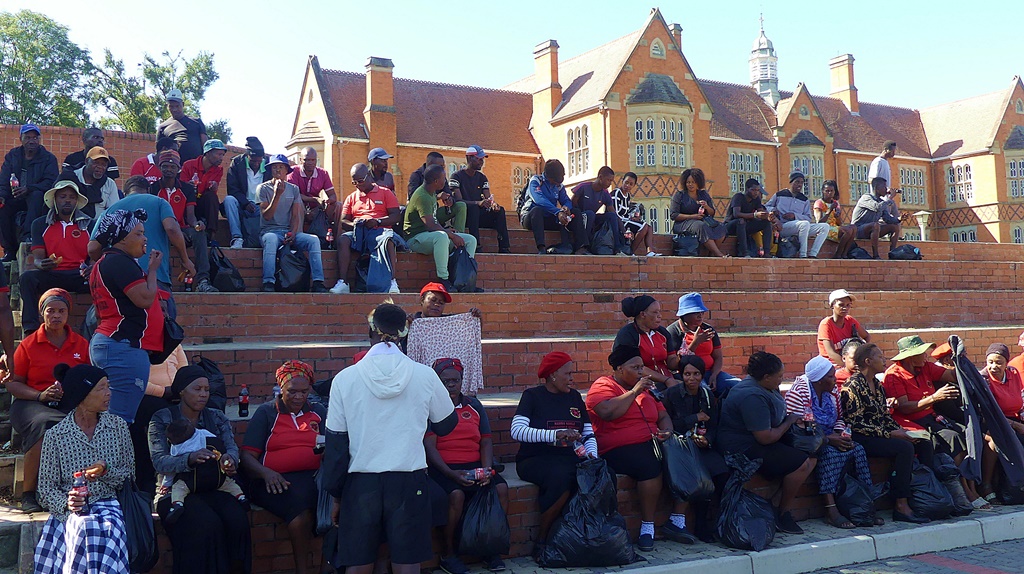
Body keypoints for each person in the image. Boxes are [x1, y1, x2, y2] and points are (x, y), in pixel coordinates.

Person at [324, 303, 458, 574]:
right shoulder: (425, 375)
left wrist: (337, 497)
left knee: (359, 563)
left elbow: (336, 446)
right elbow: (446, 425)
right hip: (409, 480)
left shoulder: (344, 379)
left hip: (361, 483)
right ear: (404, 332)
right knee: (407, 563)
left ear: (370, 330)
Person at [586, 346, 697, 551]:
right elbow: (607, 412)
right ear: (619, 368)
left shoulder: (648, 390)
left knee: (685, 455)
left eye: (641, 367)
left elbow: (663, 416)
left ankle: (677, 519)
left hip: (652, 442)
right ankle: (647, 527)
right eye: (635, 367)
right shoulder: (603, 385)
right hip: (617, 448)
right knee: (648, 462)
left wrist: (668, 432)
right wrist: (634, 391)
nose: (641, 372)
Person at [149, 366, 251, 573]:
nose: (204, 394)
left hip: (213, 484)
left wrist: (229, 461)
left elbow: (231, 448)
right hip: (176, 490)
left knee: (237, 520)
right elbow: (159, 461)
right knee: (205, 524)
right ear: (181, 391)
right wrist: (190, 458)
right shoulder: (161, 418)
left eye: (206, 389)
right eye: (197, 389)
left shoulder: (216, 417)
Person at [34, 364, 133, 572]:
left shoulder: (118, 427)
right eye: (101, 388)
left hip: (109, 503)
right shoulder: (56, 435)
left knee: (107, 529)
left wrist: (105, 470)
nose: (108, 393)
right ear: (83, 395)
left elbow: (129, 475)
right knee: (82, 526)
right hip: (71, 509)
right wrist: (68, 502)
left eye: (109, 387)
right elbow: (45, 489)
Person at [716, 351, 817, 534]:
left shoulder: (766, 386)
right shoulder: (751, 396)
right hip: (742, 447)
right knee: (802, 463)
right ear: (766, 377)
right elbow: (765, 437)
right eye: (779, 376)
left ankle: (776, 502)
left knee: (815, 449)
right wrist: (790, 421)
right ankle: (782, 512)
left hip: (763, 438)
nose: (782, 379)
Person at [8, 289, 90, 512]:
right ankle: (29, 494)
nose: (56, 316)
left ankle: (76, 489)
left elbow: (88, 380)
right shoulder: (28, 345)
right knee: (45, 425)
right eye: (50, 311)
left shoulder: (81, 344)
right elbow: (13, 383)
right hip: (30, 403)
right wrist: (40, 395)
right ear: (41, 314)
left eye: (61, 311)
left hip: (68, 404)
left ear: (68, 314)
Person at [240, 360, 326, 574]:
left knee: (337, 498)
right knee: (300, 510)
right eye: (292, 391)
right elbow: (247, 456)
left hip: (312, 476)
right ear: (281, 388)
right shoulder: (267, 413)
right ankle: (302, 570)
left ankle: (329, 565)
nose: (298, 397)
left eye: (304, 392)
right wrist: (266, 473)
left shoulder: (318, 411)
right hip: (271, 480)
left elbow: (330, 445)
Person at [424, 358, 509, 574]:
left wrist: (487, 469)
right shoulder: (430, 407)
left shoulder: (474, 405)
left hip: (474, 463)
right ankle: (448, 554)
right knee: (456, 495)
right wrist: (451, 473)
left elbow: (486, 440)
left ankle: (491, 549)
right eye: (445, 381)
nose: (451, 385)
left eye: (455, 380)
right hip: (444, 466)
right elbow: (430, 447)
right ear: (437, 382)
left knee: (500, 488)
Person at [510, 352, 598, 550]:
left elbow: (588, 434)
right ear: (552, 375)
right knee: (561, 477)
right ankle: (543, 538)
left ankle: (589, 536)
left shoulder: (575, 397)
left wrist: (592, 456)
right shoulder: (532, 396)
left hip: (569, 457)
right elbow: (517, 431)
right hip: (535, 459)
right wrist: (555, 434)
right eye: (567, 374)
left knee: (602, 473)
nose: (571, 379)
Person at [840, 343, 931, 523]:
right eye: (880, 357)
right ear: (868, 361)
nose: (884, 360)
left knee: (924, 442)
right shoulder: (852, 387)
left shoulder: (877, 385)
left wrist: (899, 429)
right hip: (862, 437)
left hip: (880, 434)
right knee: (903, 448)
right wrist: (889, 434)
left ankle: (925, 495)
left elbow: (883, 416)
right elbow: (855, 423)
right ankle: (901, 504)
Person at [784, 356, 877, 529]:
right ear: (819, 381)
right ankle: (831, 510)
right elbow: (798, 427)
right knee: (829, 455)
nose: (835, 380)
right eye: (830, 377)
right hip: (809, 442)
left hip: (830, 436)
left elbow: (840, 418)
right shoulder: (799, 393)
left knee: (857, 450)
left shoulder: (833, 392)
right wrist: (827, 440)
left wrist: (838, 435)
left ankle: (863, 505)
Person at [90, 209, 164, 423]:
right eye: (139, 233)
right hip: (121, 347)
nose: (145, 238)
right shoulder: (118, 262)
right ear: (122, 238)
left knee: (112, 420)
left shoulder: (108, 261)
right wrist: (153, 270)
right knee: (118, 422)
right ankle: (110, 458)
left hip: (113, 343)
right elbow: (145, 299)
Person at [88, 176, 195, 321]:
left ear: (125, 193)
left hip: (118, 281)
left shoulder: (111, 210)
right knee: (163, 328)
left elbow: (93, 248)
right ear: (148, 190)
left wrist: (109, 262)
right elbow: (172, 228)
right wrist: (185, 260)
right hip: (155, 277)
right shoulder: (159, 202)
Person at [662, 355, 729, 542]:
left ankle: (713, 520)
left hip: (701, 444)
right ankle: (698, 524)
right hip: (680, 446)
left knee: (722, 472)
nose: (692, 379)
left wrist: (707, 439)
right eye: (687, 374)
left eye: (697, 374)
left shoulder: (706, 395)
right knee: (699, 475)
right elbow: (669, 424)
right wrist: (694, 418)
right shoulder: (672, 394)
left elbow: (714, 424)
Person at [19, 180, 92, 333]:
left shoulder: (89, 224)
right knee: (27, 278)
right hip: (53, 274)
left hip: (79, 275)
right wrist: (42, 264)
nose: (67, 200)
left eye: (72, 197)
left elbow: (93, 257)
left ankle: (94, 326)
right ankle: (30, 329)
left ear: (76, 201)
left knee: (103, 276)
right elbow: (38, 259)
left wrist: (90, 269)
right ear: (55, 200)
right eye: (63, 196)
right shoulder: (40, 224)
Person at [883, 336, 966, 457]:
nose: (926, 356)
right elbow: (904, 407)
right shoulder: (893, 375)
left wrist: (960, 361)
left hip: (933, 416)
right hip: (913, 422)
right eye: (922, 353)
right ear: (911, 358)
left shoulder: (925, 366)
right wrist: (934, 398)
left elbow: (952, 376)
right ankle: (956, 475)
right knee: (953, 438)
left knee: (968, 432)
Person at [150, 149, 218, 292]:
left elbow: (191, 216)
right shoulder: (152, 188)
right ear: (159, 167)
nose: (169, 169)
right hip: (161, 230)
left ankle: (203, 281)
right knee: (161, 237)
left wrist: (196, 224)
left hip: (181, 228)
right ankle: (164, 282)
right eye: (165, 166)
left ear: (178, 169)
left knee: (199, 233)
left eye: (173, 166)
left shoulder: (186, 188)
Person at [259, 154, 329, 293]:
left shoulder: (293, 189)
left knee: (313, 240)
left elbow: (297, 214)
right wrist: (277, 195)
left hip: (289, 231)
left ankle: (318, 282)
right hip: (269, 231)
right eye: (274, 167)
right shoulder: (263, 188)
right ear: (270, 170)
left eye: (281, 167)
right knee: (271, 239)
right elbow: (266, 216)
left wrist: (294, 232)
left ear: (286, 170)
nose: (278, 170)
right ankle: (268, 282)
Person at [404, 164, 478, 291]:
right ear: (436, 181)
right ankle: (444, 280)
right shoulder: (422, 196)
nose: (446, 181)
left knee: (471, 240)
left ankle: (464, 279)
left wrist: (449, 232)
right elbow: (431, 225)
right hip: (415, 239)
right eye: (444, 178)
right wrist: (451, 235)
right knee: (442, 237)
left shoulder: (431, 192)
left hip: (429, 235)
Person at [330, 163, 401, 294]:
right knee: (343, 239)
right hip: (359, 233)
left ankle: (392, 282)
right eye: (354, 182)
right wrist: (355, 223)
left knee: (388, 240)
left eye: (360, 181)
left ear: (368, 176)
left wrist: (377, 221)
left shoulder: (385, 193)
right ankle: (343, 282)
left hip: (380, 230)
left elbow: (396, 216)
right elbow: (343, 221)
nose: (357, 184)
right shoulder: (352, 197)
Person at [164, 417, 247, 523]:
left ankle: (177, 504)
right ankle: (241, 497)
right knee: (230, 484)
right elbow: (220, 445)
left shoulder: (178, 448)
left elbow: (171, 469)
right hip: (216, 480)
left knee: (178, 488)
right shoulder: (204, 434)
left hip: (191, 484)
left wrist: (166, 484)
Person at [0, 124, 59, 260]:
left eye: (35, 138)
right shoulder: (12, 156)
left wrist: (29, 188)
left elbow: (51, 182)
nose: (31, 141)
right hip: (14, 196)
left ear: (39, 140)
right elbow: (4, 179)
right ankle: (9, 250)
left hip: (37, 198)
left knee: (37, 196)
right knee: (2, 208)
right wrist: (2, 195)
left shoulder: (49, 158)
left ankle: (28, 237)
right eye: (27, 137)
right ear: (21, 139)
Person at [665, 292, 741, 395]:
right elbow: (673, 365)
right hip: (690, 376)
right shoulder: (673, 332)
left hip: (711, 373)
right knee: (705, 392)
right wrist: (695, 343)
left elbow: (718, 357)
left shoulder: (707, 329)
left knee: (739, 386)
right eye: (695, 312)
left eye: (702, 312)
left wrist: (714, 375)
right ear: (684, 314)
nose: (700, 315)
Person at [977, 343, 1024, 501]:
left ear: (1006, 363)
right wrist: (1016, 425)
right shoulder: (983, 380)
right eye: (990, 362)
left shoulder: (1013, 373)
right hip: (991, 422)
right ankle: (986, 485)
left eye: (998, 362)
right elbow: (987, 412)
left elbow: (1020, 400)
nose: (993, 366)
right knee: (996, 442)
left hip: (1013, 419)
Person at [449, 145, 511, 254]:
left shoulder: (482, 178)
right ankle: (476, 246)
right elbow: (459, 201)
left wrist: (493, 204)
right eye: (478, 159)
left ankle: (504, 247)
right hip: (466, 217)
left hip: (478, 217)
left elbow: (488, 196)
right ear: (469, 158)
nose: (481, 162)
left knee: (500, 211)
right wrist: (478, 203)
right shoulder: (456, 176)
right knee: (474, 208)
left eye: (482, 159)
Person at [520, 159, 587, 254]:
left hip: (549, 218)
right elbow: (539, 200)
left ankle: (581, 247)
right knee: (537, 210)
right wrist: (557, 211)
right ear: (548, 176)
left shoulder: (559, 186)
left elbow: (566, 200)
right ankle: (541, 248)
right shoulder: (536, 181)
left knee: (575, 212)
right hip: (532, 218)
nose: (556, 184)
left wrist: (565, 207)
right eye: (554, 181)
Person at [611, 295, 678, 388]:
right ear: (642, 314)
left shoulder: (662, 333)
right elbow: (635, 367)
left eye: (659, 312)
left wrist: (683, 354)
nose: (660, 316)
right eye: (655, 312)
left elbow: (671, 363)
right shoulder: (627, 334)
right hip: (640, 382)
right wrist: (666, 380)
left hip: (666, 378)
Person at [766, 172, 830, 258]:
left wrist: (794, 215)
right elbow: (766, 206)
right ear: (791, 182)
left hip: (801, 227)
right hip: (783, 226)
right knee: (804, 224)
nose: (799, 184)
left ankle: (813, 254)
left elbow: (808, 218)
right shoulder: (780, 194)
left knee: (824, 227)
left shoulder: (804, 199)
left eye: (801, 182)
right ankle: (803, 254)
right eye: (797, 182)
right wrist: (774, 210)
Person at [669, 168, 728, 257]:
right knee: (701, 226)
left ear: (698, 183)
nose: (690, 184)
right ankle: (718, 254)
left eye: (693, 182)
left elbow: (712, 213)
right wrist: (693, 216)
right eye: (688, 182)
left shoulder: (703, 194)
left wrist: (706, 206)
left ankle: (711, 254)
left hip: (703, 220)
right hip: (683, 223)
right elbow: (673, 215)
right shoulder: (679, 195)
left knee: (721, 227)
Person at [224, 136, 271, 249]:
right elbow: (232, 188)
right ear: (247, 156)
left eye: (259, 161)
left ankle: (266, 239)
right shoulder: (237, 163)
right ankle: (237, 238)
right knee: (228, 200)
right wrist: (245, 203)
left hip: (261, 207)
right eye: (253, 161)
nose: (256, 164)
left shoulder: (268, 165)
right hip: (242, 205)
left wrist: (262, 204)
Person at [571, 166, 626, 255]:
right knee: (590, 214)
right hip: (579, 217)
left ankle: (617, 248)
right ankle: (583, 247)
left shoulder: (605, 193)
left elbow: (613, 212)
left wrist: (624, 231)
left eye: (611, 181)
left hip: (592, 217)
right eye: (608, 180)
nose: (610, 183)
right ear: (600, 177)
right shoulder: (583, 187)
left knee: (612, 216)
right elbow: (572, 203)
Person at [180, 139, 227, 238]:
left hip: (202, 203)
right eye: (219, 154)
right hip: (187, 203)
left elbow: (212, 192)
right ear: (208, 153)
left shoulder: (218, 170)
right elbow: (181, 187)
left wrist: (214, 187)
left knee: (212, 197)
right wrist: (189, 185)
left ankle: (211, 235)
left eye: (223, 155)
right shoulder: (188, 165)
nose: (221, 158)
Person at [288, 147, 339, 237]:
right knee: (298, 203)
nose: (310, 163)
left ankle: (336, 239)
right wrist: (315, 199)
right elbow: (294, 195)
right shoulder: (293, 172)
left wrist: (328, 202)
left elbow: (333, 196)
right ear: (300, 160)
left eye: (313, 160)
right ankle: (297, 237)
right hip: (299, 207)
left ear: (316, 160)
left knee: (338, 205)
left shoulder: (323, 173)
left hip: (317, 209)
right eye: (306, 160)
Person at [60, 146, 120, 220]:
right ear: (87, 161)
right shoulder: (72, 177)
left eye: (104, 164)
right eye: (96, 163)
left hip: (98, 226)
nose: (100, 167)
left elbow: (113, 211)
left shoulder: (109, 184)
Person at [850, 177, 901, 259]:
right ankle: (876, 255)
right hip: (859, 230)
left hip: (873, 230)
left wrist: (899, 219)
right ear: (877, 188)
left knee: (894, 227)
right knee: (875, 225)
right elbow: (876, 207)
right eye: (884, 187)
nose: (886, 189)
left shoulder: (881, 201)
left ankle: (893, 253)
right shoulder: (866, 198)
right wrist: (889, 198)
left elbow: (887, 219)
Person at [817, 289, 870, 366]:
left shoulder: (850, 321)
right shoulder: (826, 324)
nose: (845, 308)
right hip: (830, 365)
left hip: (850, 364)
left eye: (848, 305)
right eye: (841, 305)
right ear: (832, 305)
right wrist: (847, 367)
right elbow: (831, 353)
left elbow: (866, 336)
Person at [723, 178, 773, 258]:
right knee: (741, 221)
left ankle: (767, 253)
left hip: (745, 226)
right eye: (753, 190)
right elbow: (736, 214)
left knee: (766, 223)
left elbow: (761, 212)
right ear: (747, 189)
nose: (756, 193)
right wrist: (755, 215)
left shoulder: (756, 199)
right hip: (731, 226)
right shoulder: (738, 197)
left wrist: (768, 216)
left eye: (757, 190)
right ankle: (744, 253)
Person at [157, 89, 208, 163]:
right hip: (174, 168)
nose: (174, 109)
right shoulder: (163, 127)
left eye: (177, 106)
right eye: (171, 106)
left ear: (183, 104)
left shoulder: (196, 121)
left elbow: (205, 146)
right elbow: (159, 151)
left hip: (196, 166)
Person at [611, 171, 656, 256]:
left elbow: (626, 212)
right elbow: (616, 213)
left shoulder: (627, 196)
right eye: (626, 182)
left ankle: (650, 251)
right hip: (618, 222)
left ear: (634, 186)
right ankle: (630, 251)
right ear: (622, 181)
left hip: (625, 220)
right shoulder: (616, 193)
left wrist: (633, 219)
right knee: (644, 227)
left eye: (631, 184)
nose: (628, 185)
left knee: (649, 227)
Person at [813, 180, 856, 259]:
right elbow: (819, 222)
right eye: (827, 191)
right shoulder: (819, 203)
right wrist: (829, 210)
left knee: (853, 228)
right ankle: (838, 254)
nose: (829, 193)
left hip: (835, 227)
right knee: (848, 231)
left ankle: (844, 253)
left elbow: (839, 223)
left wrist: (837, 216)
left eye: (831, 191)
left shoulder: (836, 203)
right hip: (824, 229)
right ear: (823, 191)